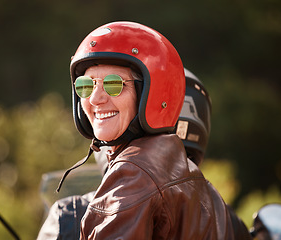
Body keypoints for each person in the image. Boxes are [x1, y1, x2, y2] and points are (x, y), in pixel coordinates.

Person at [51, 21, 252, 239]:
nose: (96, 98)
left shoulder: (134, 173)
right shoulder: (198, 185)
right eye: (85, 85)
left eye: (114, 84)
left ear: (150, 94)